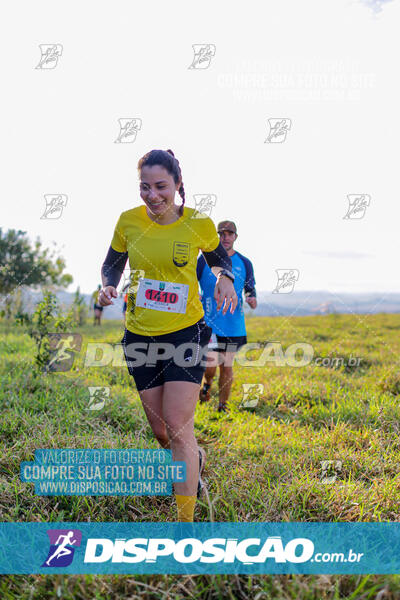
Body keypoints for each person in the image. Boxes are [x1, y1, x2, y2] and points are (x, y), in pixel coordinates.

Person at [98, 149, 237, 522]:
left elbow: (217, 258)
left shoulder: (197, 222)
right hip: (140, 335)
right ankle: (196, 457)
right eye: (145, 187)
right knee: (162, 432)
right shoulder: (128, 221)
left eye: (161, 186)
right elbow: (112, 264)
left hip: (186, 333)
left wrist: (226, 278)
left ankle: (185, 524)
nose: (153, 195)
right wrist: (108, 286)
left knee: (177, 425)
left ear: (178, 185)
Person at [197, 220, 257, 412]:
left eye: (229, 234)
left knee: (227, 366)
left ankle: (223, 406)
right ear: (216, 236)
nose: (225, 237)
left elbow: (250, 287)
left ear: (235, 237)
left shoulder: (244, 262)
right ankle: (207, 384)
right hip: (209, 323)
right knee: (210, 366)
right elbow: (189, 280)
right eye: (221, 234)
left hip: (232, 323)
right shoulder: (203, 260)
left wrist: (251, 297)